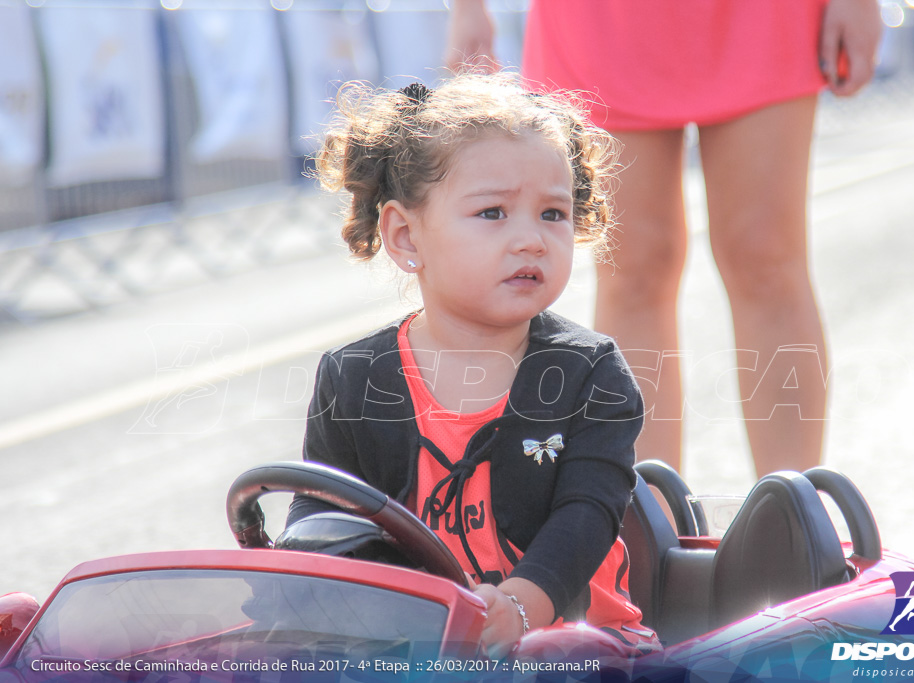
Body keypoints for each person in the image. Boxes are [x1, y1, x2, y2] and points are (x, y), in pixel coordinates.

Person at [287, 73, 659, 657]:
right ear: (406, 236)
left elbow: (587, 513)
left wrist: (517, 606)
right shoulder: (354, 376)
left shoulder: (591, 373)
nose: (532, 240)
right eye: (493, 213)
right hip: (416, 650)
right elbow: (320, 512)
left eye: (553, 214)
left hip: (582, 643)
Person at [447, 0, 882, 478]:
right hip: (603, 17)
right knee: (633, 269)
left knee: (766, 257)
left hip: (762, 15)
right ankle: (644, 515)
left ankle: (792, 515)